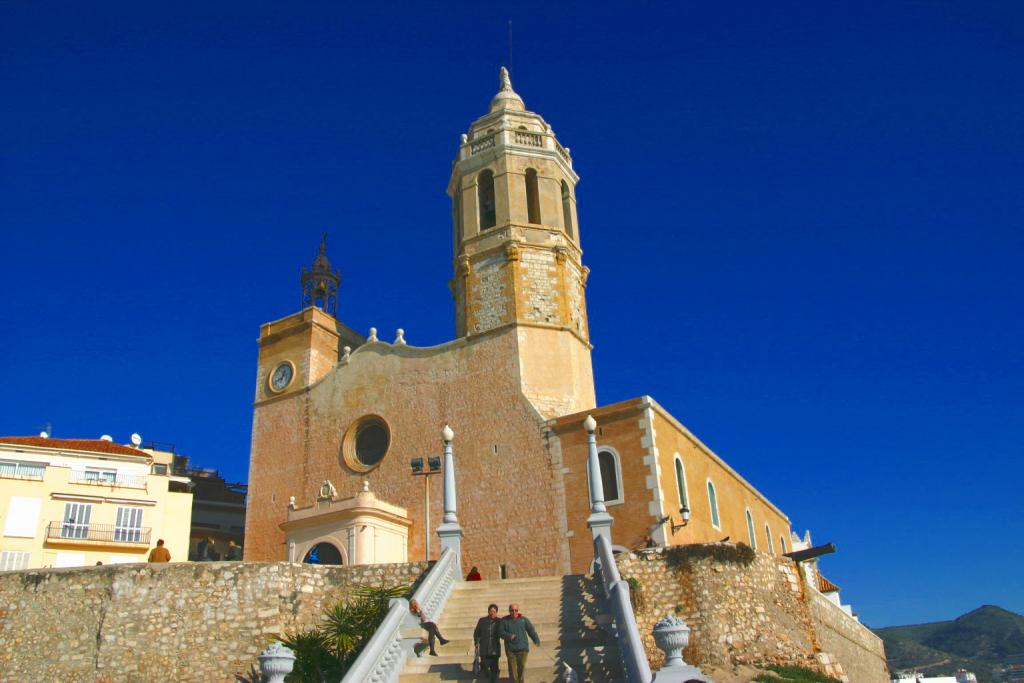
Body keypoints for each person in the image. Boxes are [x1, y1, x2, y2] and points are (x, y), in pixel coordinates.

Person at [499, 603, 540, 683]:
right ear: (509, 611)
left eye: (516, 610)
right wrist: (509, 636)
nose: (514, 612)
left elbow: (531, 630)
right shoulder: (504, 620)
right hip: (511, 650)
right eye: (512, 610)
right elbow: (500, 632)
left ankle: (521, 681)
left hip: (523, 649)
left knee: (521, 669)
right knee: (513, 672)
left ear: (518, 610)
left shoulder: (523, 619)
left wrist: (536, 640)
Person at [473, 603, 502, 683]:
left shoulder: (500, 621)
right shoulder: (482, 620)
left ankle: (493, 680)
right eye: (491, 611)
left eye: (494, 611)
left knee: (494, 668)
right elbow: (476, 633)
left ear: (496, 612)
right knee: (484, 666)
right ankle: (486, 674)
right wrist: (476, 642)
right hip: (484, 648)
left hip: (495, 648)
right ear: (488, 611)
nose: (492, 613)